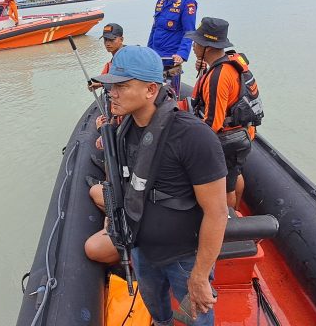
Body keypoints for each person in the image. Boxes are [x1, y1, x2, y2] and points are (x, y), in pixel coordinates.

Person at [90, 45, 228, 325]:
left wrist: (200, 275)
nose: (112, 93)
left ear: (151, 90)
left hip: (184, 257)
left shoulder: (192, 137)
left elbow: (216, 212)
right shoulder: (122, 132)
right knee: (156, 309)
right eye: (110, 86)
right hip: (141, 247)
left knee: (197, 317)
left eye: (122, 86)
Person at [186, 17, 264, 209]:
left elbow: (213, 124)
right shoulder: (229, 62)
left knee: (225, 188)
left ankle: (228, 218)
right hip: (244, 133)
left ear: (208, 47)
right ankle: (236, 209)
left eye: (197, 42)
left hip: (229, 140)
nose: (193, 46)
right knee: (235, 174)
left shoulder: (218, 76)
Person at [147, 0, 197, 96]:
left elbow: (190, 32)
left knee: (168, 101)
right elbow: (154, 29)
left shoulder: (187, 3)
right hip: (156, 62)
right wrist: (148, 52)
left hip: (171, 63)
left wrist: (182, 54)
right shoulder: (160, 2)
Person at [89, 23, 125, 91]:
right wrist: (101, 84)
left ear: (121, 39)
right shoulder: (115, 58)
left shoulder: (127, 57)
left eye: (111, 39)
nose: (107, 43)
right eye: (105, 39)